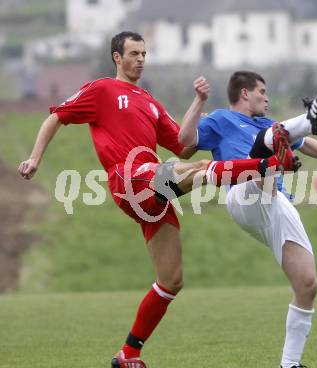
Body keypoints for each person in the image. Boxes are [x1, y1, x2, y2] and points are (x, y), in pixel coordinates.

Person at [17, 33, 297, 368]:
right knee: (200, 169)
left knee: (171, 280)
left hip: (153, 191)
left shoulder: (150, 102)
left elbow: (183, 145)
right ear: (117, 58)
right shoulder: (102, 89)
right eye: (134, 53)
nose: (141, 59)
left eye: (144, 53)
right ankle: (268, 164)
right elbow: (56, 116)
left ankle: (129, 353)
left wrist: (198, 101)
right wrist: (35, 158)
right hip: (129, 178)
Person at [178, 71, 317, 368]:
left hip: (275, 202)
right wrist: (198, 100)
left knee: (308, 284)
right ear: (244, 93)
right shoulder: (222, 119)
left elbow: (307, 144)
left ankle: (289, 364)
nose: (266, 97)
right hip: (243, 191)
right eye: (262, 91)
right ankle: (307, 118)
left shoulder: (271, 126)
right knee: (270, 144)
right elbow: (185, 139)